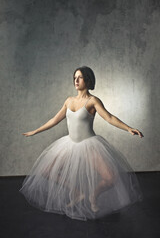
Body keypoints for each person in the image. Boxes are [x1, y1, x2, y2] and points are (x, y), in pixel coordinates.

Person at [19, 66, 144, 221]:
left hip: (89, 144)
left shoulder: (93, 101)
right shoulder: (69, 101)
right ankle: (78, 193)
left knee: (110, 177)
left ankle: (93, 195)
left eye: (80, 77)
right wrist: (35, 131)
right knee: (46, 170)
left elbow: (109, 118)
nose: (76, 81)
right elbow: (54, 120)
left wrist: (128, 128)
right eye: (74, 78)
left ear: (88, 80)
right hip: (69, 144)